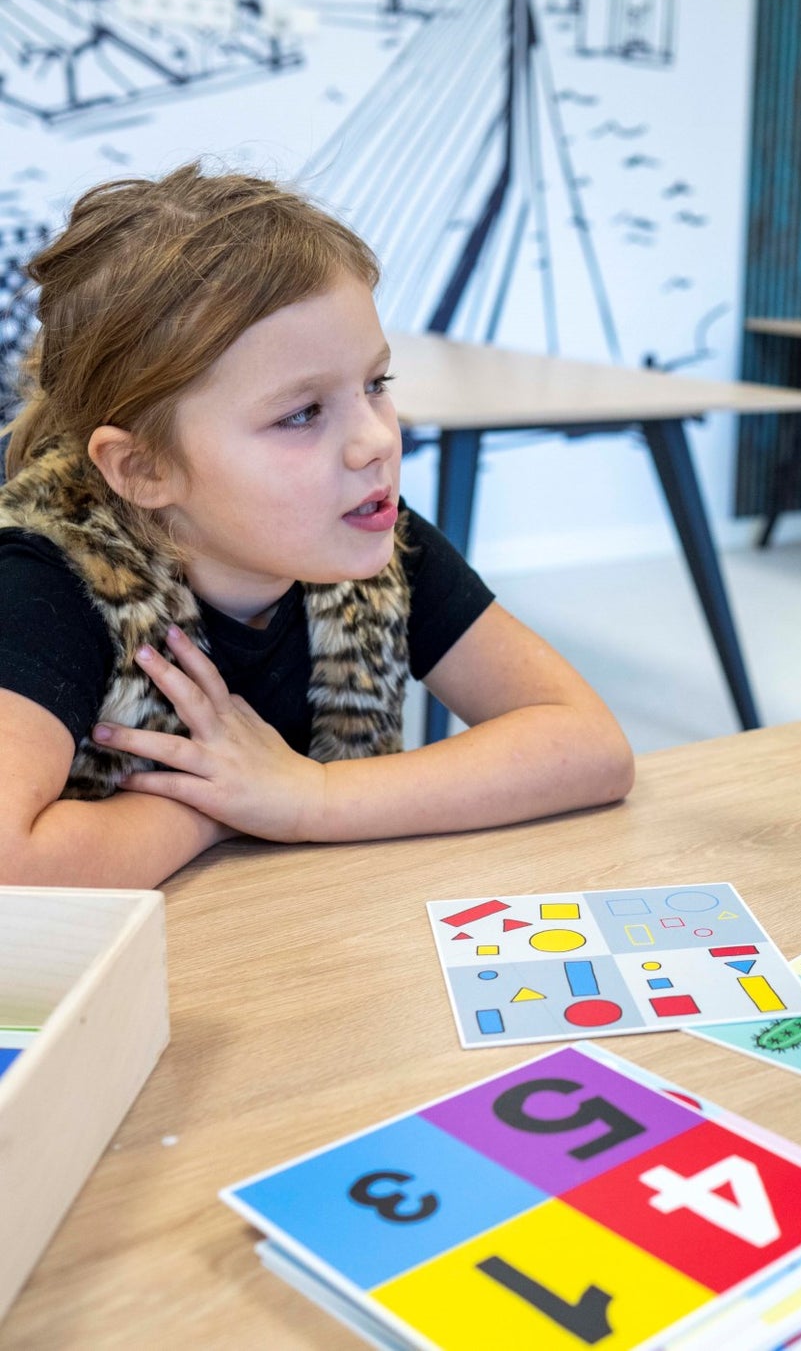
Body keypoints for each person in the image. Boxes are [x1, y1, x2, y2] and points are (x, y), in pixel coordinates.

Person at [0, 165, 634, 890]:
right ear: (143, 468)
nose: (377, 441)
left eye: (376, 385)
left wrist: (310, 797)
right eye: (301, 413)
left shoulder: (379, 540)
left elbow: (590, 745)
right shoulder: (44, 585)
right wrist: (217, 808)